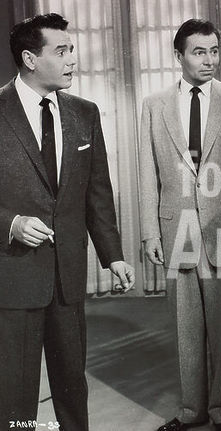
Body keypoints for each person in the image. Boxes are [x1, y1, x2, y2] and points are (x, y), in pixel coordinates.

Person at [0, 13, 135, 431]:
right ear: (30, 59)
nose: (72, 59)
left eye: (71, 49)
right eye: (60, 51)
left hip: (68, 278)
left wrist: (113, 255)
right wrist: (11, 223)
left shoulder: (84, 113)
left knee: (73, 388)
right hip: (14, 277)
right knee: (15, 396)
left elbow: (97, 192)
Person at [138, 19, 221, 431]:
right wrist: (150, 231)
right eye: (199, 52)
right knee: (186, 330)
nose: (210, 60)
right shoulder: (154, 105)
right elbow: (148, 174)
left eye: (214, 51)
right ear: (179, 56)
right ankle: (191, 411)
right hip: (176, 230)